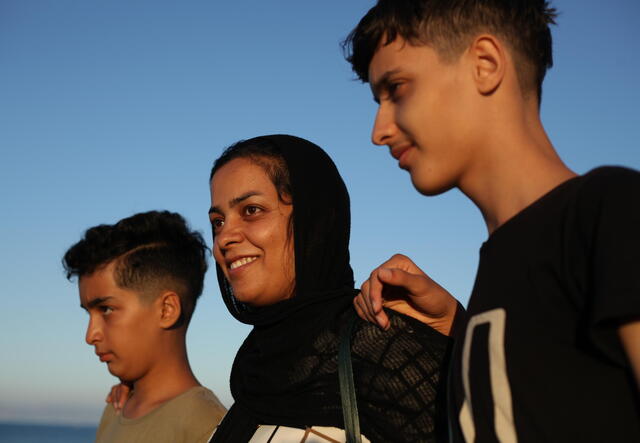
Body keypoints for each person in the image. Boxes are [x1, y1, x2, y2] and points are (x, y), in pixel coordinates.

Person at [343, 0, 640, 441]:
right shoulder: (500, 265)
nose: (378, 130)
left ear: (485, 64)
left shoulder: (612, 210)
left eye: (398, 89)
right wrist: (455, 327)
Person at [207, 135, 453, 442]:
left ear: (315, 221)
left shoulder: (380, 346)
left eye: (251, 210)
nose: (224, 238)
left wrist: (455, 327)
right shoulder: (254, 373)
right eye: (218, 221)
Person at [63, 210, 227, 443]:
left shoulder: (206, 426)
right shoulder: (117, 408)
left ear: (166, 310)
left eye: (106, 310)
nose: (90, 335)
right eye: (88, 313)